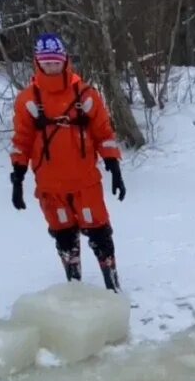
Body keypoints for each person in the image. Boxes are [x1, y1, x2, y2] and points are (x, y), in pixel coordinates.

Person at [9, 33, 127, 292]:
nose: (52, 67)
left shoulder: (86, 95)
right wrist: (17, 176)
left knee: (99, 232)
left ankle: (112, 284)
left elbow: (104, 133)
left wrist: (114, 166)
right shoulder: (28, 100)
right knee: (63, 234)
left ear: (65, 61)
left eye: (56, 61)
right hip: (50, 185)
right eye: (46, 62)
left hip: (85, 181)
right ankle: (74, 287)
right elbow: (22, 140)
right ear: (38, 63)